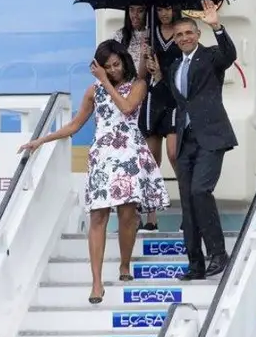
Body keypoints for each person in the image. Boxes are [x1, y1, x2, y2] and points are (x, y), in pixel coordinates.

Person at [17, 39, 170, 303]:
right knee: (97, 217)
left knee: (126, 215)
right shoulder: (93, 91)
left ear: (124, 61)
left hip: (129, 154)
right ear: (98, 67)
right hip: (102, 156)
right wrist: (41, 140)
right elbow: (75, 125)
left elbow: (126, 107)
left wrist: (106, 83)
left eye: (116, 64)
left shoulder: (138, 85)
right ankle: (96, 283)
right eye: (107, 67)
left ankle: (124, 264)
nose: (113, 70)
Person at [169, 0, 237, 280]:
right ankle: (195, 265)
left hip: (211, 137)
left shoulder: (210, 57)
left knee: (200, 192)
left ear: (197, 35)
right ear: (174, 39)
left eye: (189, 33)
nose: (184, 38)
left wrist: (217, 26)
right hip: (186, 141)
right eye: (179, 35)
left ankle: (218, 254)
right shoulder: (174, 67)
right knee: (187, 201)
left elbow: (229, 55)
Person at [112, 5, 162, 231]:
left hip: (148, 98)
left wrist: (146, 53)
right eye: (131, 10)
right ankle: (132, 214)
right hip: (124, 99)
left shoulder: (155, 35)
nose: (135, 15)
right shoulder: (119, 36)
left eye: (140, 11)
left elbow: (144, 75)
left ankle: (152, 216)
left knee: (150, 158)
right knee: (127, 160)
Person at [137, 5, 183, 232]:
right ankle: (151, 219)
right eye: (161, 9)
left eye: (168, 9)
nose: (165, 13)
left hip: (174, 99)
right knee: (151, 162)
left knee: (175, 154)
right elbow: (140, 75)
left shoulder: (183, 33)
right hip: (153, 99)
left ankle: (189, 213)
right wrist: (145, 58)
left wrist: (164, 72)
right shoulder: (151, 35)